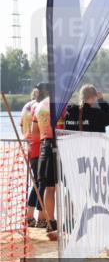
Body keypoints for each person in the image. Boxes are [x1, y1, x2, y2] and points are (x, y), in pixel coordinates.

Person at [29, 83, 58, 234]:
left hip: (43, 146)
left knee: (48, 187)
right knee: (66, 186)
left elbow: (33, 132)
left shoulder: (38, 106)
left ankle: (50, 220)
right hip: (59, 144)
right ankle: (72, 218)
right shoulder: (62, 104)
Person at [20, 89, 41, 226]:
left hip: (29, 145)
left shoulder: (26, 107)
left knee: (37, 182)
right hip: (38, 146)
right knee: (40, 183)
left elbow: (22, 126)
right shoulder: (38, 106)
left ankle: (31, 216)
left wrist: (27, 139)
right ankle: (34, 217)